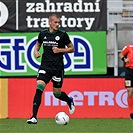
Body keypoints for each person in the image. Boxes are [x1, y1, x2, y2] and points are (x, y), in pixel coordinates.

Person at [27, 14, 75, 124]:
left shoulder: (63, 35)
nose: (58, 24)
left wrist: (60, 50)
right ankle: (34, 117)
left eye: (59, 22)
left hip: (57, 68)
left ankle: (69, 100)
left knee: (57, 94)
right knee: (39, 88)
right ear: (50, 22)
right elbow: (38, 44)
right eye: (55, 22)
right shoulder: (43, 34)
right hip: (45, 67)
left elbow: (72, 48)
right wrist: (35, 51)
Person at [119, 44, 133, 119]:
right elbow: (121, 54)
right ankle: (131, 113)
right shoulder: (129, 47)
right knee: (129, 90)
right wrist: (125, 59)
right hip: (129, 71)